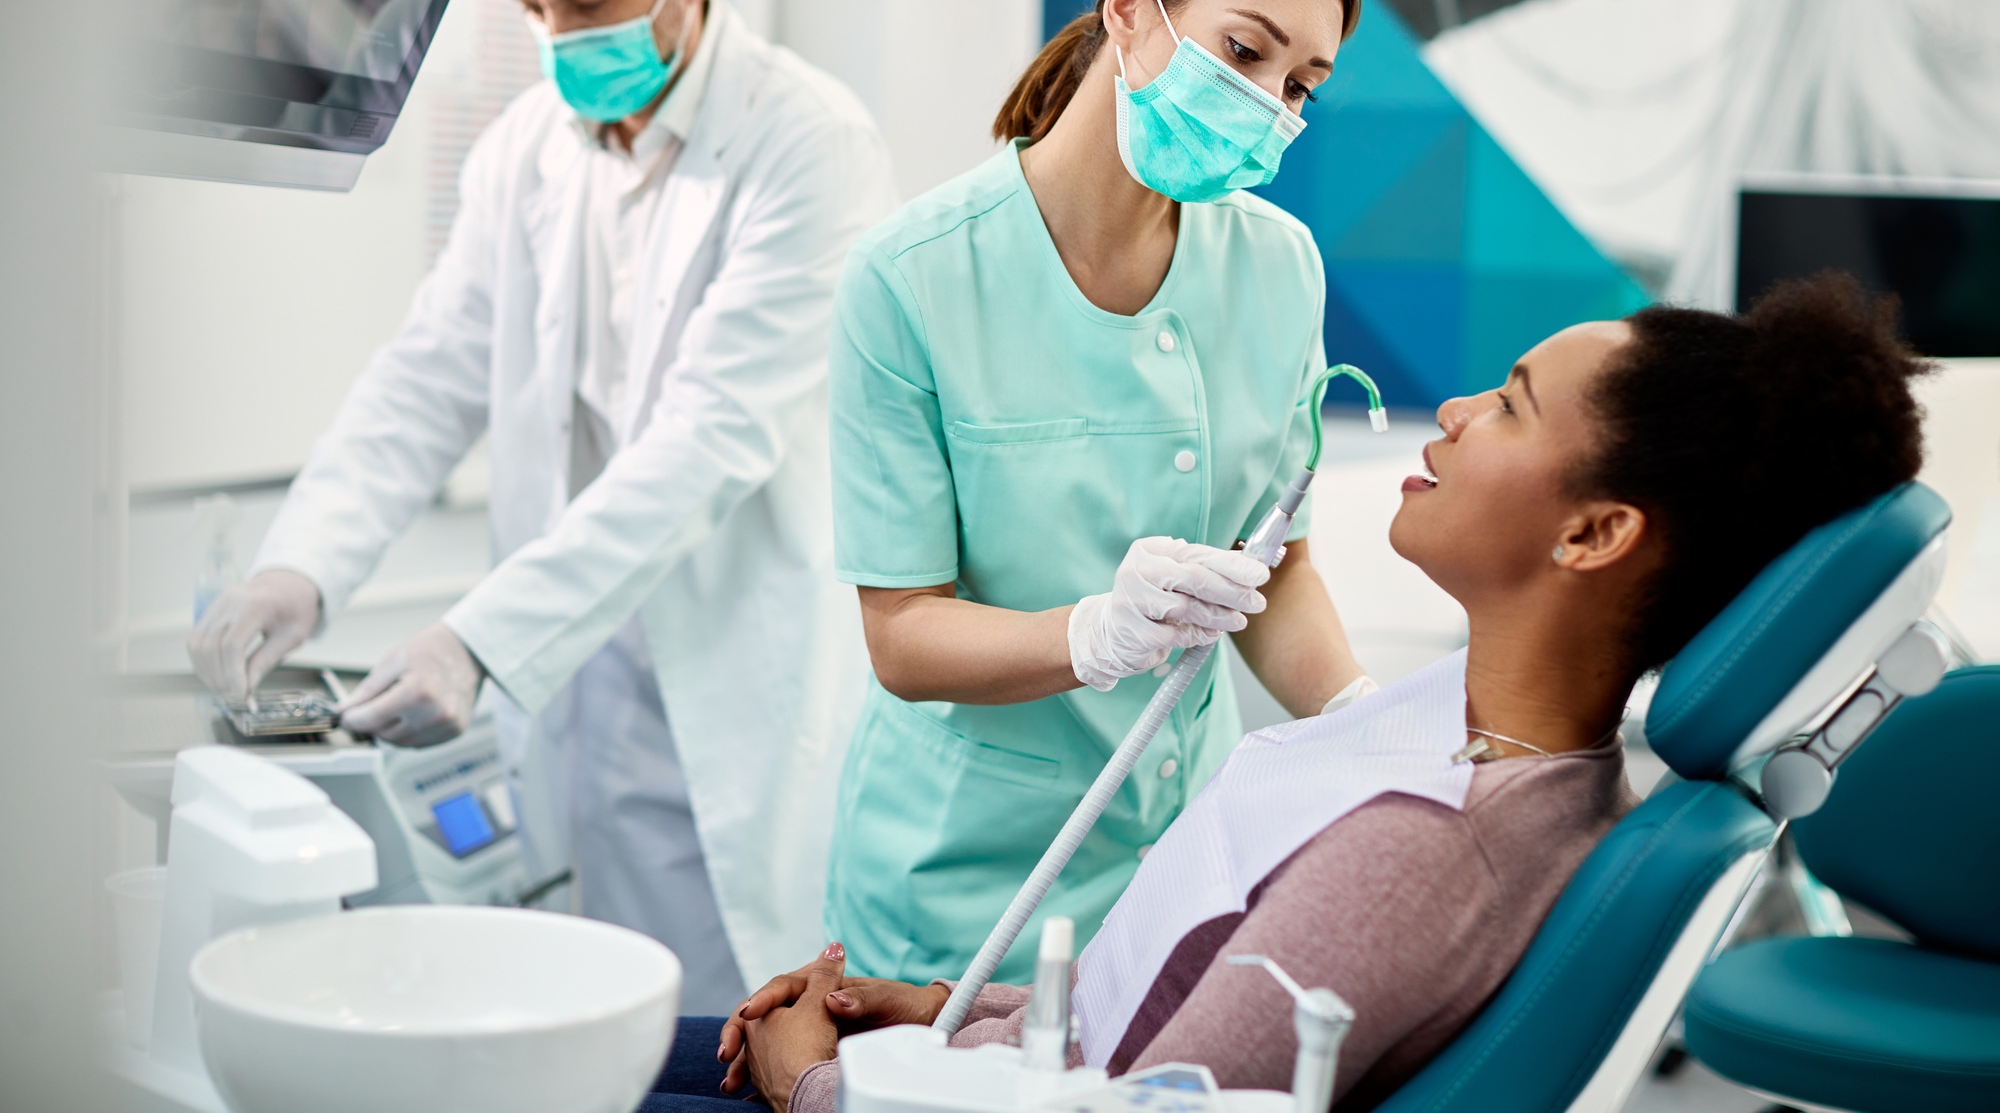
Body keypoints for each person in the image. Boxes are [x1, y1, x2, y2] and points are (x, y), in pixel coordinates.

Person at [657, 272, 1925, 1113]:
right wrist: (944, 1007)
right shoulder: (1453, 737)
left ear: (1592, 534)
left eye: (1512, 403)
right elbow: (1168, 1017)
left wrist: (815, 1087)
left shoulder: (1424, 852)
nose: (1457, 407)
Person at [185, 0, 897, 1012]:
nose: (557, 40)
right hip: (569, 676)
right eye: (530, 10)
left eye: (586, 2)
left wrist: (475, 638)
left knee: (725, 1032)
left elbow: (705, 440)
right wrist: (298, 570)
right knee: (573, 1012)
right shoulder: (526, 146)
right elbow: (429, 373)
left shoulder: (807, 145)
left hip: (730, 681)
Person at [821, 0, 1376, 988]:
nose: (1271, 104)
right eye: (1243, 52)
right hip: (961, 882)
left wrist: (1358, 719)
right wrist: (1092, 636)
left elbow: (1279, 568)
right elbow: (902, 636)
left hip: (1185, 859)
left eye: (1300, 83)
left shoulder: (1276, 265)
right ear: (1130, 10)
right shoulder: (910, 279)